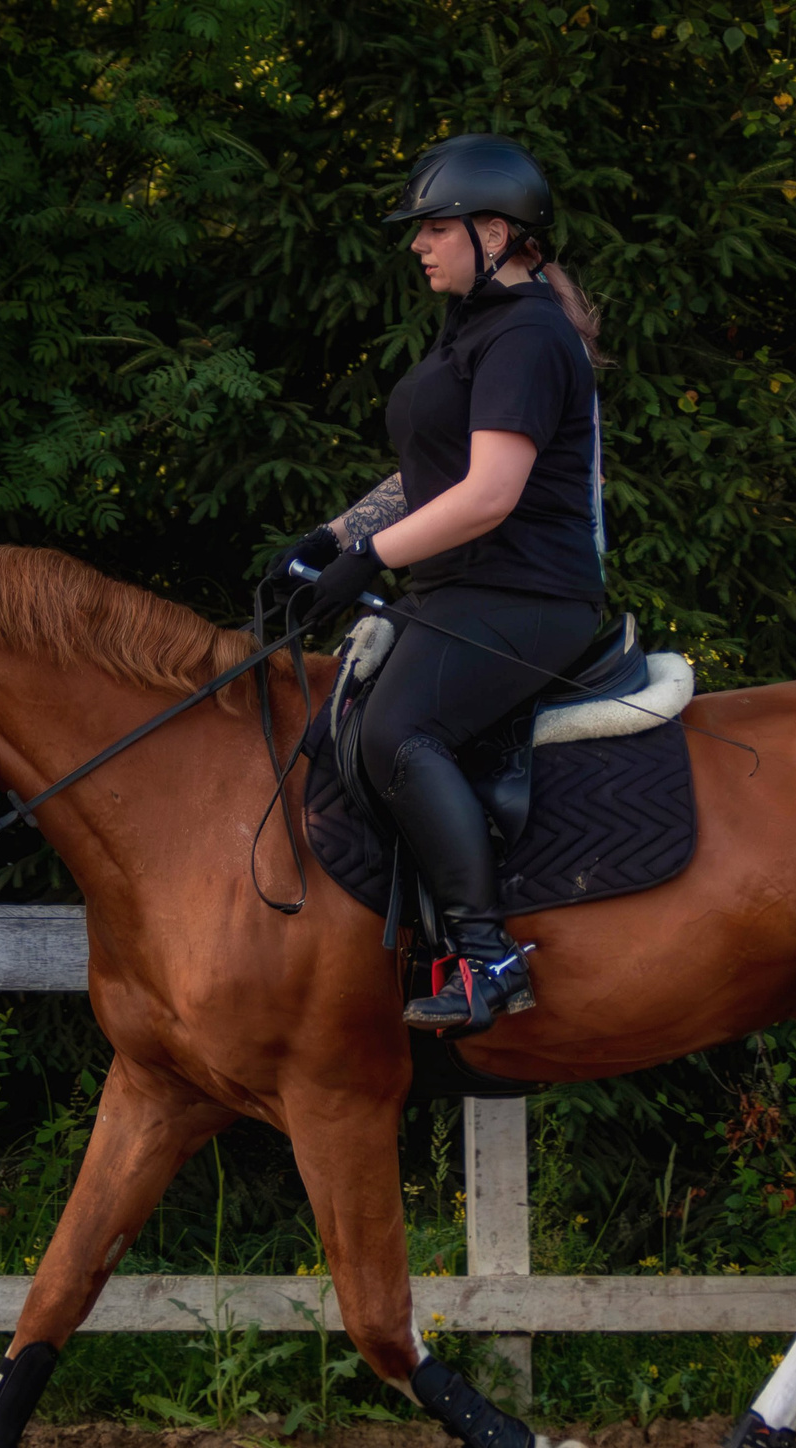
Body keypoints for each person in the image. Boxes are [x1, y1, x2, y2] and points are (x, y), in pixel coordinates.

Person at [280, 134, 610, 1036]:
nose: (418, 244)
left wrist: (369, 559)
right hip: (462, 587)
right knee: (338, 722)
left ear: (493, 232)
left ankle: (488, 959)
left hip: (527, 595)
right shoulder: (474, 327)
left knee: (398, 731)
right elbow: (430, 475)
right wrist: (331, 537)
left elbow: (489, 493)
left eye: (433, 227)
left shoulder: (528, 335)